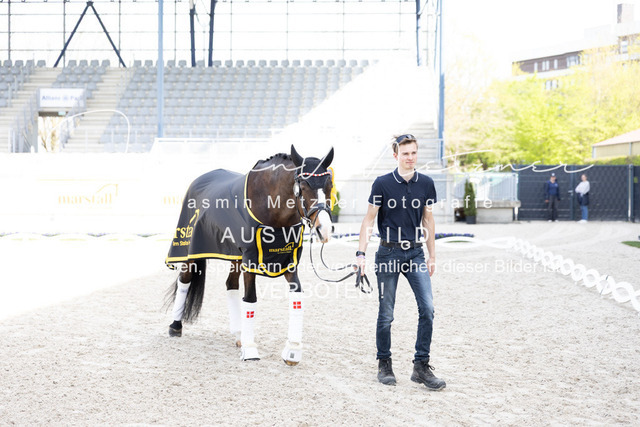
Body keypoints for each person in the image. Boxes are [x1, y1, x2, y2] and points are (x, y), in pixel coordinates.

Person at [356, 134, 445, 391]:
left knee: (428, 308)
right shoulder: (382, 183)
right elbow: (369, 220)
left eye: (414, 153)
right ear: (396, 155)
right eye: (405, 153)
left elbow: (428, 220)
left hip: (415, 254)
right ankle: (384, 363)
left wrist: (432, 255)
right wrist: (361, 254)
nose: (410, 157)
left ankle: (421, 366)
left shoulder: (426, 183)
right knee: (386, 313)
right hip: (388, 254)